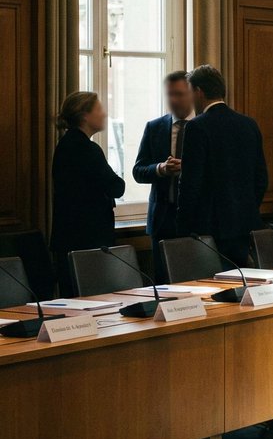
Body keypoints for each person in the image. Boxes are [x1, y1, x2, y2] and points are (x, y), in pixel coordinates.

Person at [175, 65, 269, 267]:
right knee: (243, 282)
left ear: (199, 91)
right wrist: (246, 209)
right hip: (246, 226)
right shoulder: (249, 124)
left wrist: (183, 227)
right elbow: (261, 179)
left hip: (210, 230)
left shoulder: (197, 126)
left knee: (211, 283)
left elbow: (190, 183)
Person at [49, 91, 126, 295]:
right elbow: (117, 187)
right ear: (84, 115)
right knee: (93, 298)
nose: (104, 114)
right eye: (99, 109)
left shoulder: (64, 145)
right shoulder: (87, 149)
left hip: (68, 236)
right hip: (89, 238)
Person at [132, 71, 195, 280]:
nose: (173, 100)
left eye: (179, 94)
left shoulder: (203, 126)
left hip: (196, 220)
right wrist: (161, 168)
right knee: (163, 283)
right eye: (169, 94)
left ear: (192, 94)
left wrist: (188, 168)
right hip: (162, 219)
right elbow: (138, 171)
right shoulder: (155, 127)